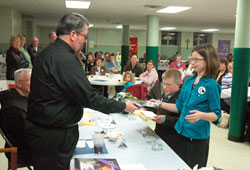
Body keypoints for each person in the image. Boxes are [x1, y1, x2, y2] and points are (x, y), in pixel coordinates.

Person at [24, 13, 138, 170]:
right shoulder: (66, 59)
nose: (85, 41)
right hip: (54, 136)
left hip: (43, 132)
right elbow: (90, 97)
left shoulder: (46, 53)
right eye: (84, 36)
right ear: (72, 34)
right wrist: (123, 106)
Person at [152, 44, 221, 168]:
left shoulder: (211, 85)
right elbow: (179, 107)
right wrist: (159, 103)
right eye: (191, 58)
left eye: (196, 59)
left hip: (196, 137)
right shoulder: (188, 81)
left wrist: (201, 115)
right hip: (180, 134)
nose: (192, 62)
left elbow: (216, 115)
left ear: (208, 60)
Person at [0, 68, 31, 164]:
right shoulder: (14, 108)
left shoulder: (27, 99)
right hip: (23, 152)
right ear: (18, 84)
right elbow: (25, 138)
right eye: (31, 80)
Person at [151, 68, 182, 155]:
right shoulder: (165, 94)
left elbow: (181, 120)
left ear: (178, 85)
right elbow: (161, 109)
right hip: (159, 133)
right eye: (163, 84)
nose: (164, 87)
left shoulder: (180, 98)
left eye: (168, 85)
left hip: (171, 139)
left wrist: (165, 119)